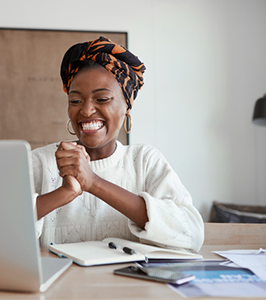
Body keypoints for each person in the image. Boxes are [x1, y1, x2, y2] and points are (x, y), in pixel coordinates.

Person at [32, 36, 204, 252]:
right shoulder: (39, 162)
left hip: (132, 286)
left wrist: (94, 182)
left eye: (102, 99)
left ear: (127, 106)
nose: (86, 111)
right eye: (75, 101)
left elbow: (192, 235)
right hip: (59, 286)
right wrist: (64, 193)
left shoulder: (145, 161)